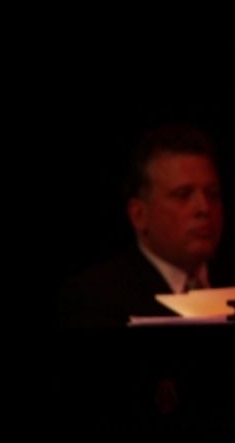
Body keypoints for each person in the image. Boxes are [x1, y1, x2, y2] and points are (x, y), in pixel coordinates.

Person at [57, 123, 226, 327]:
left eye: (212, 194)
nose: (204, 208)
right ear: (139, 215)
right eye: (183, 195)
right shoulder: (96, 299)